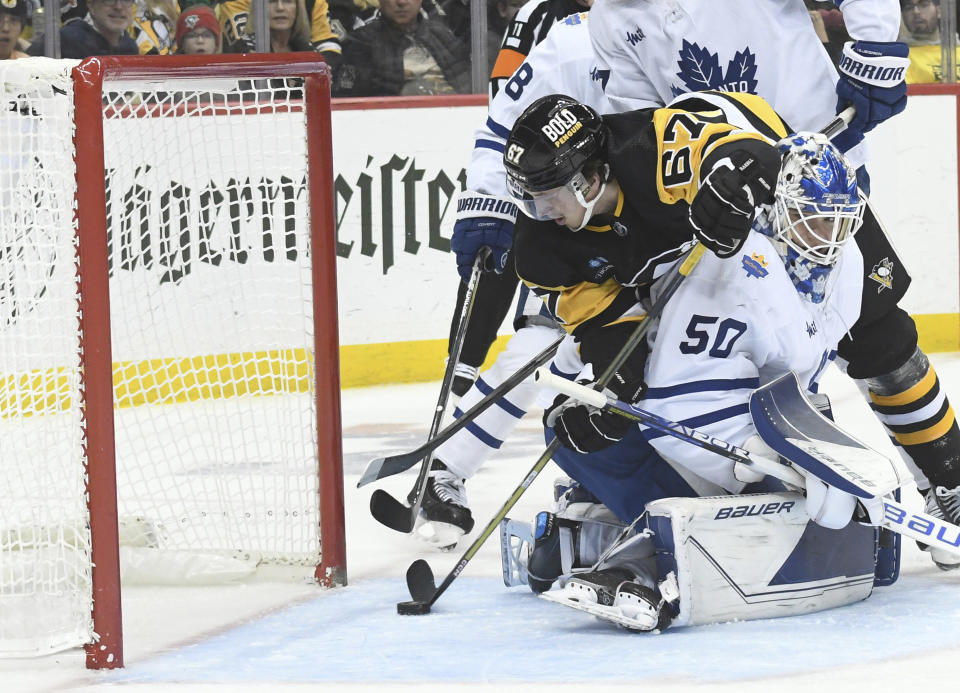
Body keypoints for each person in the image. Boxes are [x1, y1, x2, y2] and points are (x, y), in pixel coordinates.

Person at [585, 0, 960, 572]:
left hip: (815, 177)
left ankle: (950, 480)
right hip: (725, 203)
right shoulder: (612, 15)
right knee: (735, 349)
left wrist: (874, 47)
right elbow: (638, 128)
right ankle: (766, 485)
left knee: (874, 333)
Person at [503, 91, 890, 631]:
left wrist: (730, 186)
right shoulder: (543, 246)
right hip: (674, 319)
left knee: (752, 425)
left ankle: (635, 526)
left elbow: (741, 152)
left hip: (724, 314)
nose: (540, 213)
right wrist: (620, 388)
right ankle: (620, 516)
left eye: (547, 196)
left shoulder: (655, 148)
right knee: (576, 429)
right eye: (529, 199)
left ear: (587, 179)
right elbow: (601, 323)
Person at [411, 12, 604, 548]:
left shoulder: (696, 19)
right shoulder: (562, 33)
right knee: (546, 342)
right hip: (572, 207)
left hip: (658, 215)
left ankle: (591, 477)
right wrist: (490, 200)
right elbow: (505, 120)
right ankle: (447, 467)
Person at [333, 0, 471, 96]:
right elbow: (353, 103)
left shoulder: (443, 36)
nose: (402, 2)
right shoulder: (361, 43)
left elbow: (470, 88)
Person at [28, 0, 139, 57]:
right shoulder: (64, 40)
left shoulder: (130, 47)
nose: (118, 7)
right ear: (91, 6)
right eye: (109, 0)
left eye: (126, 0)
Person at [900, 0, 960, 83]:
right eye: (908, 8)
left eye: (924, 5)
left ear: (939, 10)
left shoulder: (957, 50)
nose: (916, 11)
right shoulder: (900, 57)